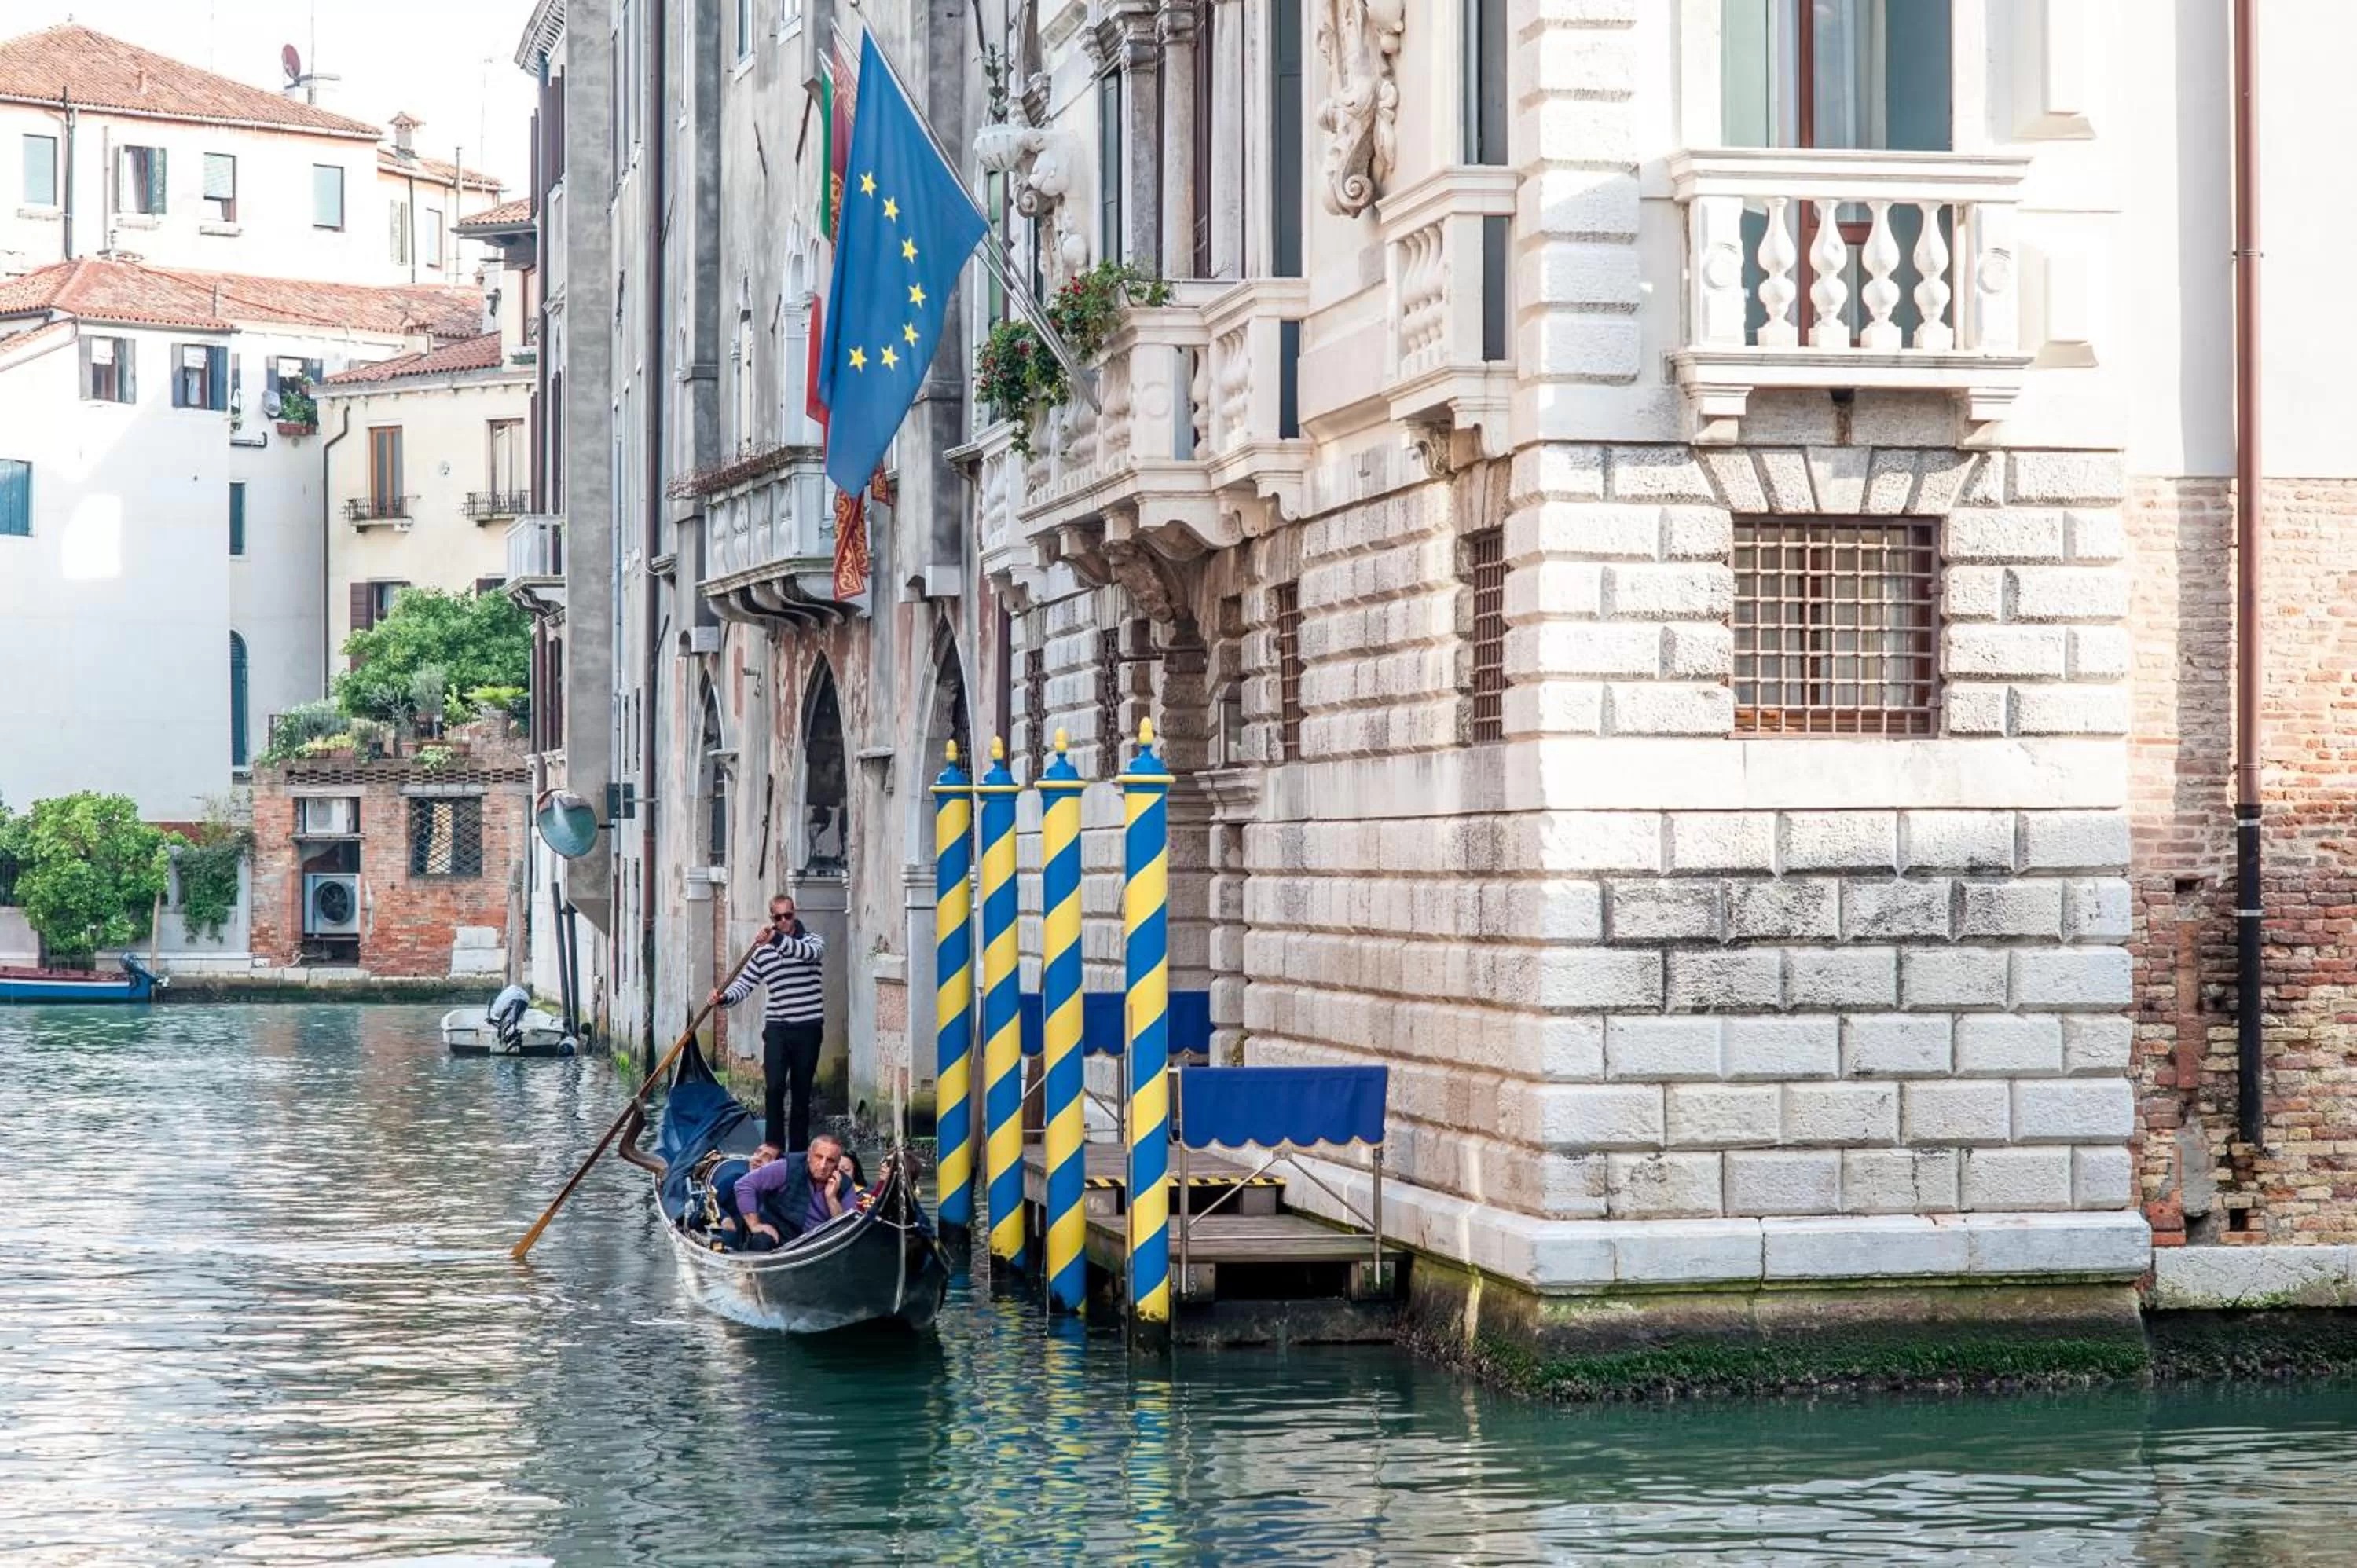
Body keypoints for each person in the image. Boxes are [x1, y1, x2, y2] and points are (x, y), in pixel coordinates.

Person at [710, 896, 828, 1153]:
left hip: (808, 1028)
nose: (784, 921)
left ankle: (797, 1153)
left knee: (801, 1093)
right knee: (774, 1088)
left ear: (794, 914)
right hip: (777, 1029)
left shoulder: (813, 941)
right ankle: (773, 1148)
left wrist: (776, 939)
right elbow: (745, 984)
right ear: (772, 919)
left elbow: (809, 955)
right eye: (778, 917)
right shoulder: (763, 953)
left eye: (788, 915)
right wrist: (724, 997)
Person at [731, 1135, 856, 1251]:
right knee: (761, 1240)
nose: (823, 1166)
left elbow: (846, 1231)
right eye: (818, 1157)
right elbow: (744, 1185)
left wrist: (832, 1199)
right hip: (779, 1234)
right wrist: (755, 1225)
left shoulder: (846, 1185)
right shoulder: (787, 1166)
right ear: (809, 1155)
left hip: (819, 1244)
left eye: (830, 1160)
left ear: (837, 1163)